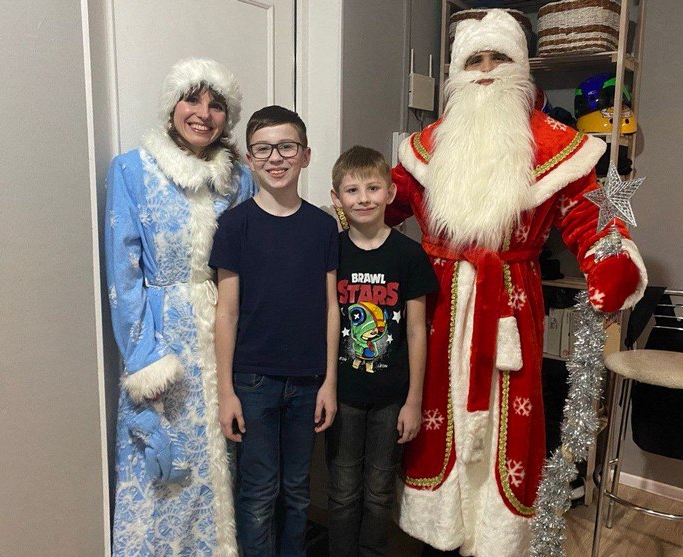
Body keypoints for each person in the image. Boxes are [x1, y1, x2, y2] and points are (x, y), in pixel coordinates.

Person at [386, 9, 648, 557]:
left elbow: (590, 217)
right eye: (474, 60)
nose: (485, 70)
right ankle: (439, 531)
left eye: (498, 58)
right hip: (436, 306)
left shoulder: (558, 146)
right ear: (457, 73)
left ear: (521, 67)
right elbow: (382, 204)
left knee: (508, 418)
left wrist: (612, 260)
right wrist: (325, 232)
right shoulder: (425, 147)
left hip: (510, 300)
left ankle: (496, 539)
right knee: (436, 416)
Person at [105, 58, 255, 556]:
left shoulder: (240, 180)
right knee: (167, 472)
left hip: (226, 332)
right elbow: (123, 275)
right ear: (172, 105)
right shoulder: (132, 170)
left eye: (216, 105)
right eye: (192, 99)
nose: (203, 114)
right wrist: (145, 358)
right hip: (164, 338)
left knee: (227, 462)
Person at [210, 105, 340, 557]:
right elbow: (226, 313)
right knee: (258, 492)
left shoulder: (323, 226)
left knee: (298, 491)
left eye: (287, 147)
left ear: (305, 155)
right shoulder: (234, 225)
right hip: (253, 381)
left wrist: (329, 382)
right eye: (264, 149)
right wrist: (226, 391)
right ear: (250, 159)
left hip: (307, 382)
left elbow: (331, 307)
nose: (276, 158)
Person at [326, 146, 438, 557]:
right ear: (337, 198)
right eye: (352, 190)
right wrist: (326, 386)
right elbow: (326, 319)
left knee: (378, 491)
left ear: (390, 193)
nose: (363, 198)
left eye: (373, 188)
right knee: (342, 491)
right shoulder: (332, 251)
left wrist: (414, 401)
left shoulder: (409, 255)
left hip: (392, 398)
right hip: (343, 395)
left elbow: (416, 330)